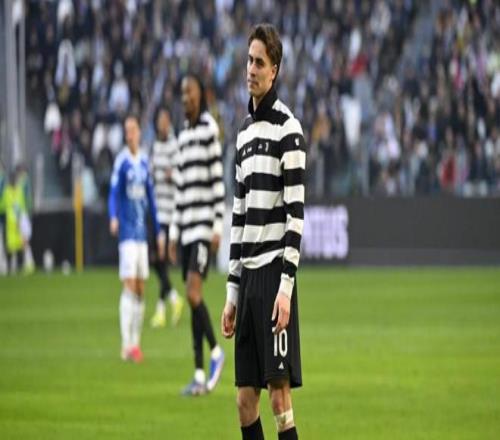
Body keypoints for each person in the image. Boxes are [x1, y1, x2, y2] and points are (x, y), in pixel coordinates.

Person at [221, 24, 306, 440]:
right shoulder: (243, 133)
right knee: (244, 402)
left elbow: (296, 217)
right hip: (249, 278)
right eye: (249, 61)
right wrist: (232, 292)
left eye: (259, 63)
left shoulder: (289, 130)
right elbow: (238, 217)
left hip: (274, 276)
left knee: (279, 399)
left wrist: (285, 289)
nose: (251, 70)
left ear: (275, 71)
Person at [168, 74, 225, 396]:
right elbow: (180, 190)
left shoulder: (207, 130)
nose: (185, 97)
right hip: (187, 229)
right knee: (194, 299)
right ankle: (200, 375)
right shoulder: (183, 136)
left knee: (192, 293)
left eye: (189, 91)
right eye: (182, 92)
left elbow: (218, 182)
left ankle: (216, 353)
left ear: (201, 94)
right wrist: (173, 233)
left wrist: (217, 226)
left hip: (203, 226)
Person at [108, 114, 164, 363]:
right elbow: (113, 193)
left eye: (133, 129)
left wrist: (158, 230)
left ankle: (136, 343)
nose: (129, 134)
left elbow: (151, 198)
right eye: (127, 130)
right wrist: (113, 216)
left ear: (139, 133)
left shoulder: (143, 162)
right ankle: (126, 344)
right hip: (127, 233)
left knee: (141, 287)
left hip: (142, 234)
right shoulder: (121, 162)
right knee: (129, 283)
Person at [149, 107, 184, 328]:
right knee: (157, 261)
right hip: (156, 212)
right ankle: (168, 303)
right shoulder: (155, 146)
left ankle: (167, 304)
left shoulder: (174, 145)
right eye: (159, 120)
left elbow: (183, 175)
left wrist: (174, 175)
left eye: (165, 119)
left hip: (169, 213)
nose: (162, 123)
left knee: (158, 260)